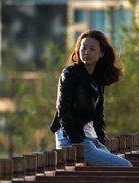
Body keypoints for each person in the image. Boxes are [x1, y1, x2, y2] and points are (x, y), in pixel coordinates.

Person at [50, 30, 132, 167]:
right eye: (83, 48)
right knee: (125, 166)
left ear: (101, 54)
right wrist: (76, 141)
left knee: (112, 167)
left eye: (92, 49)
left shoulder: (97, 81)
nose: (86, 52)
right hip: (72, 141)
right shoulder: (70, 74)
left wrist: (100, 140)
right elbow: (63, 110)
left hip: (90, 140)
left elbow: (99, 117)